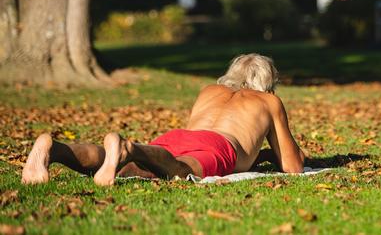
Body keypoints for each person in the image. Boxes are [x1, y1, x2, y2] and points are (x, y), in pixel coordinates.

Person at [21, 54, 306, 186]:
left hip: (178, 137)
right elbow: (293, 166)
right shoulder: (269, 101)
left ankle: (54, 149)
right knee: (180, 170)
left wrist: (261, 155)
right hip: (218, 147)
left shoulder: (210, 90)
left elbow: (198, 133)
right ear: (268, 82)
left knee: (131, 169)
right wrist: (270, 154)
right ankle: (130, 149)